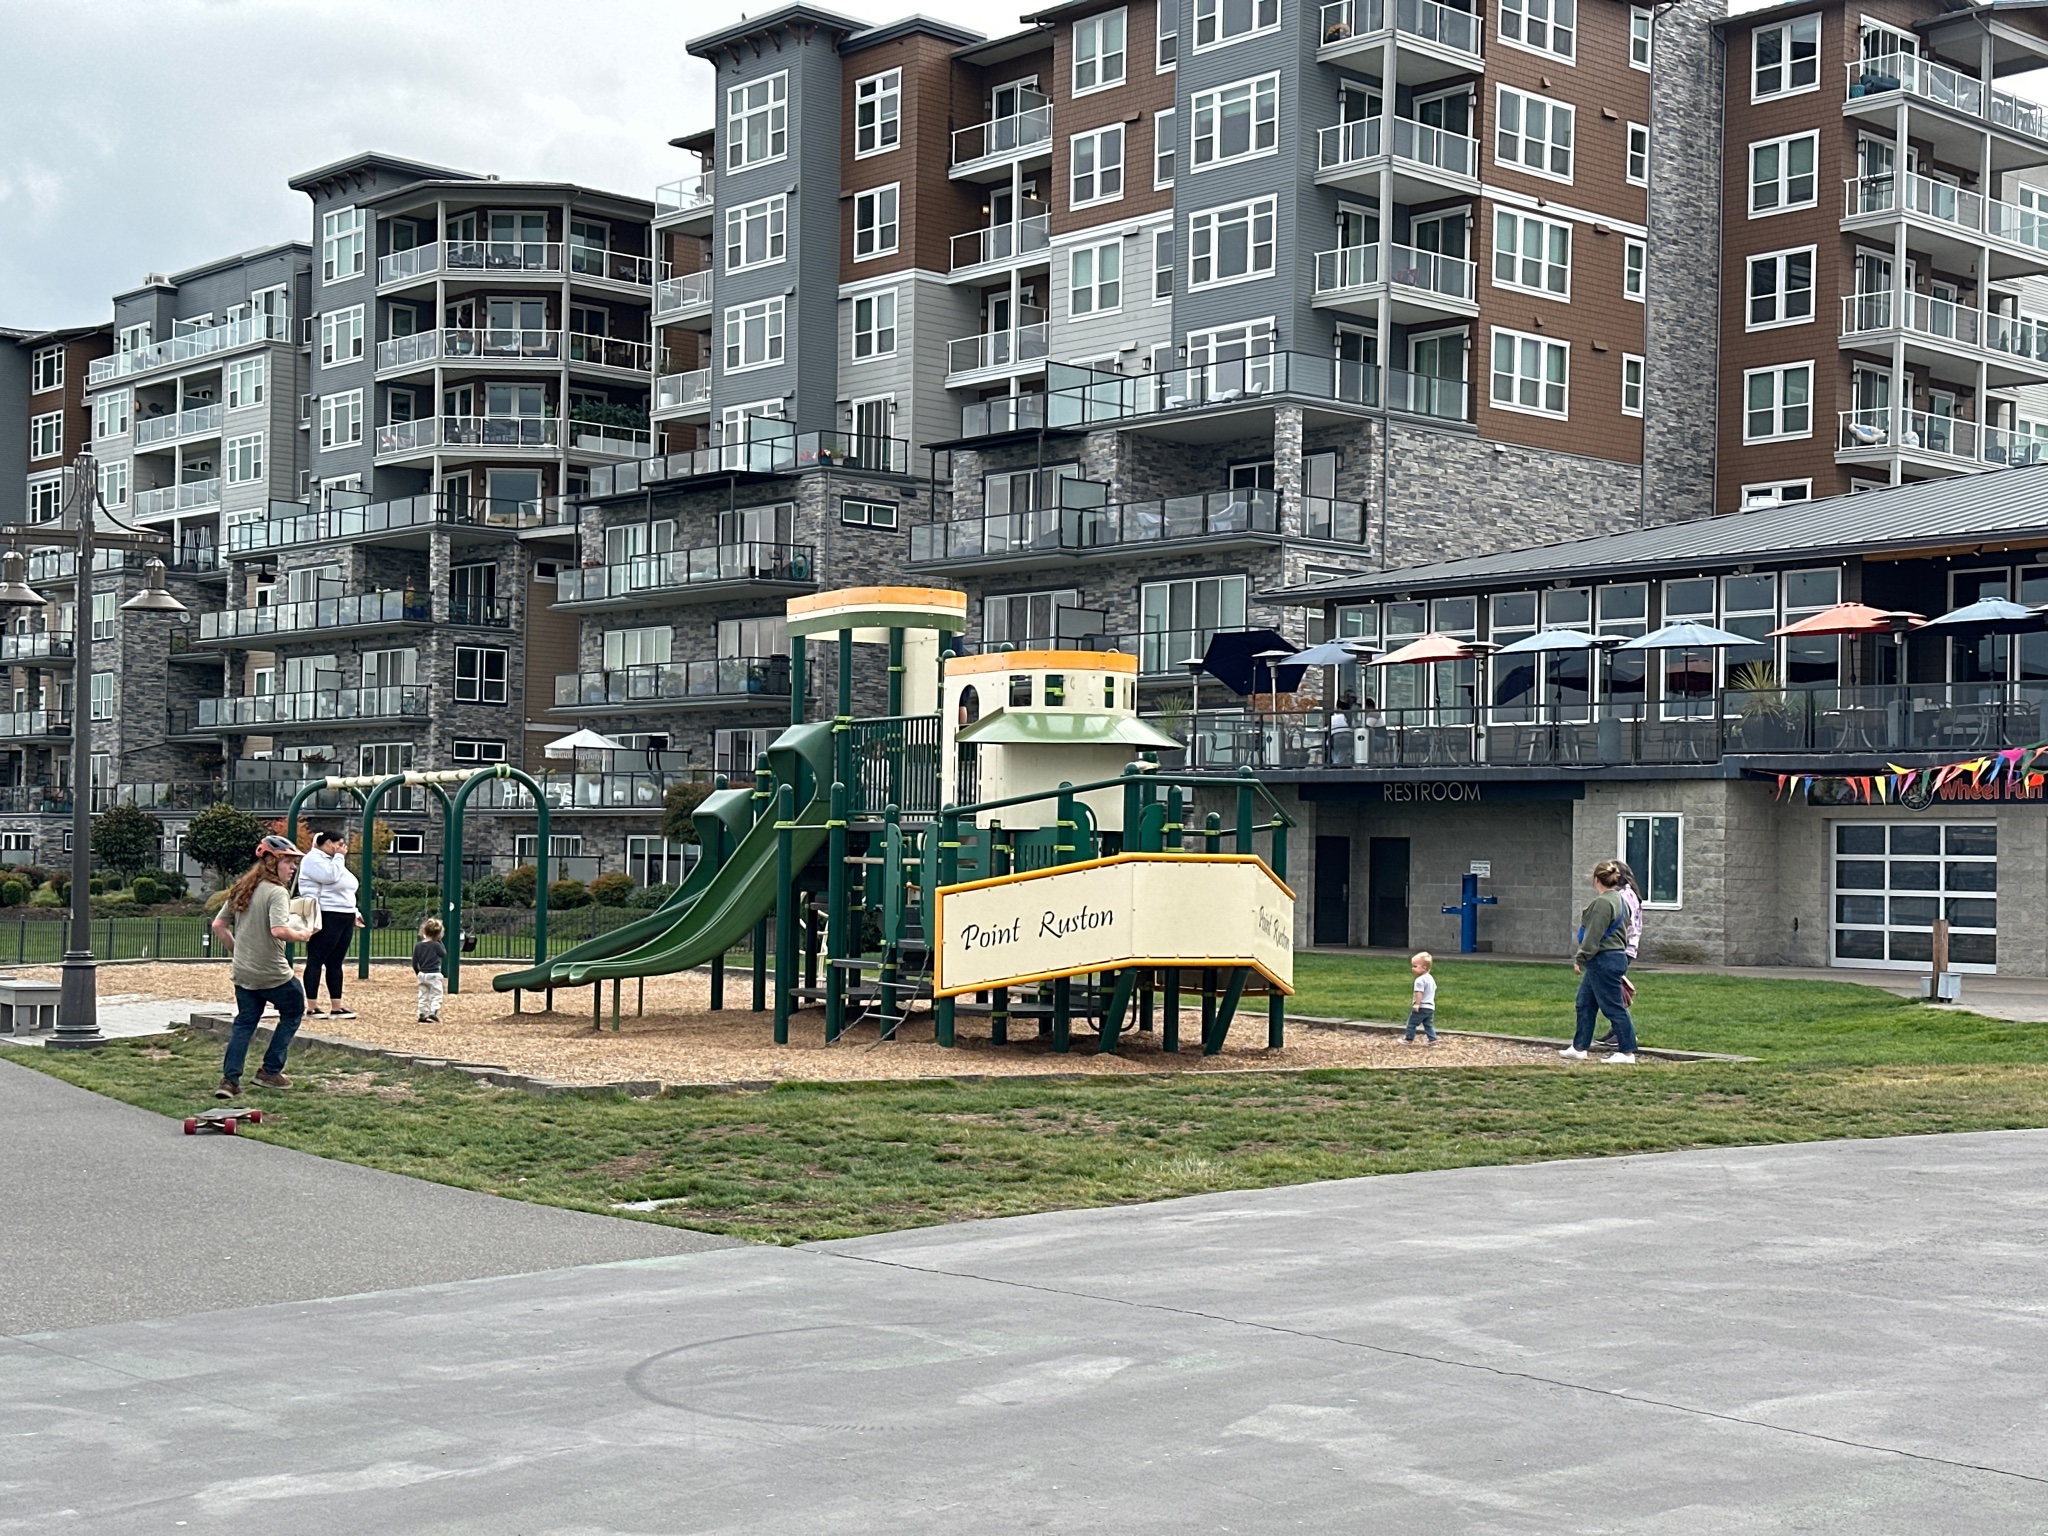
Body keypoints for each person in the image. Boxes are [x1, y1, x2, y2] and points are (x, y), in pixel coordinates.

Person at [211, 833, 318, 1099]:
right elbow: (280, 930)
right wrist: (303, 935)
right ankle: (270, 1071)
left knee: (245, 1022)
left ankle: (229, 1081)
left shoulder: (242, 888)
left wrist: (240, 952)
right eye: (289, 862)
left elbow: (218, 926)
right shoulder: (277, 892)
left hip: (244, 972)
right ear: (273, 861)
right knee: (294, 1010)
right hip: (272, 972)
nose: (293, 868)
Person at [1562, 860, 1637, 1064]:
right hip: (1614, 957)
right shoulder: (1621, 901)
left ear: (1596, 880)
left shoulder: (1603, 903)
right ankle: (1579, 1047)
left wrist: (1580, 958)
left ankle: (1627, 1051)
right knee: (1584, 1002)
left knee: (1613, 1007)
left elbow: (1593, 934)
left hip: (1603, 959)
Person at [299, 830, 364, 1020]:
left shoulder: (334, 861)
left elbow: (347, 888)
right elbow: (330, 877)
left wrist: (355, 912)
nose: (342, 848)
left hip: (344, 914)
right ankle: (312, 1005)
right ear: (328, 843)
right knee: (316, 959)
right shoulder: (313, 859)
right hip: (326, 913)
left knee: (336, 962)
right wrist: (338, 858)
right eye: (339, 844)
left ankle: (336, 1005)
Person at [1598, 862, 1645, 1047]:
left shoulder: (1623, 897)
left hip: (1620, 949)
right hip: (1626, 948)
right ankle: (1616, 1030)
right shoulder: (1630, 894)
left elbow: (1624, 923)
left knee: (1611, 992)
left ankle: (1624, 1034)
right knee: (1602, 992)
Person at [414, 917, 447, 1024]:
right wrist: (440, 941)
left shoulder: (418, 946)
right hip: (434, 973)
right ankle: (433, 1011)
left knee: (423, 995)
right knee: (437, 994)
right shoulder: (436, 945)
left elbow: (414, 962)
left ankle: (422, 1014)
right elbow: (443, 954)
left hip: (422, 973)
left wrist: (418, 972)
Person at [1403, 951, 1438, 1044]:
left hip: (1422, 1006)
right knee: (1428, 1024)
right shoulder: (1431, 979)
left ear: (1424, 968)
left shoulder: (1419, 980)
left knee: (1411, 1023)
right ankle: (1432, 1039)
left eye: (1415, 966)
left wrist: (1416, 1004)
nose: (1412, 968)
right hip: (1430, 1007)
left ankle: (1408, 1039)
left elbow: (1419, 993)